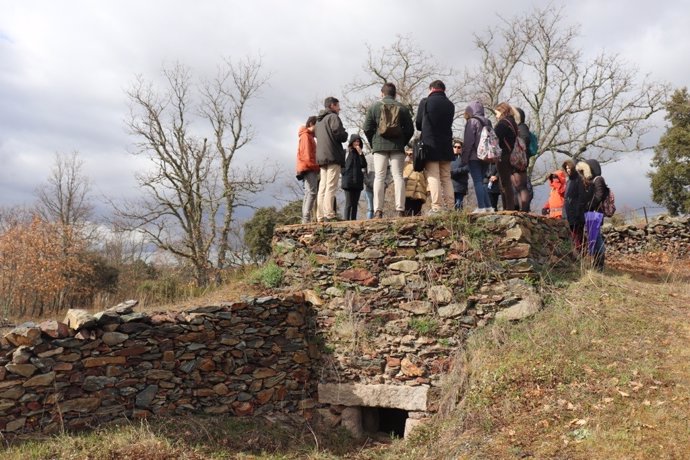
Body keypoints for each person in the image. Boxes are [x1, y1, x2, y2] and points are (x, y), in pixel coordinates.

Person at [363, 82, 414, 218]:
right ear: (395, 94)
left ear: (382, 93)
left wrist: (373, 142)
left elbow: (367, 128)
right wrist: (402, 142)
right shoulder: (402, 108)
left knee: (379, 177)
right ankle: (400, 210)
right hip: (397, 147)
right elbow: (410, 129)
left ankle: (378, 211)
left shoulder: (374, 107)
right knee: (398, 176)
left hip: (379, 147)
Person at [416, 80, 455, 215]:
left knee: (433, 176)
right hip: (446, 145)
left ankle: (437, 206)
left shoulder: (425, 102)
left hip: (430, 145)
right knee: (446, 177)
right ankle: (450, 207)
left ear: (431, 89)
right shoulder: (450, 105)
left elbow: (418, 124)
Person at [315, 97, 348, 222]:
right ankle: (329, 213)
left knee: (322, 186)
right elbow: (340, 134)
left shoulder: (318, 121)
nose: (339, 108)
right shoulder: (333, 117)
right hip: (333, 155)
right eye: (338, 106)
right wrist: (345, 133)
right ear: (332, 106)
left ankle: (320, 215)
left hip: (321, 157)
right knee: (331, 186)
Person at [461, 101, 493, 213]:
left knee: (477, 181)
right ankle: (489, 207)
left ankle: (481, 207)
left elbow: (469, 142)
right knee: (482, 181)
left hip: (474, 157)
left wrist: (464, 158)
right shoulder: (488, 121)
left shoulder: (472, 121)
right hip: (487, 156)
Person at [576, 159, 608, 271]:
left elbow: (599, 196)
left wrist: (588, 205)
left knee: (596, 238)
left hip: (595, 213)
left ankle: (599, 266)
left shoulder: (598, 179)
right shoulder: (594, 180)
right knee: (593, 237)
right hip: (593, 213)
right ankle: (597, 265)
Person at [493, 102, 520, 211]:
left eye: (497, 113)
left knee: (505, 183)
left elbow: (495, 136)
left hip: (504, 155)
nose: (496, 116)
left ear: (502, 111)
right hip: (510, 154)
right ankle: (508, 207)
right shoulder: (512, 122)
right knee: (506, 181)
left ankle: (508, 207)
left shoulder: (503, 123)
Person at [295, 116, 319, 224]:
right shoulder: (306, 136)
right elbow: (307, 155)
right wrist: (316, 166)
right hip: (309, 167)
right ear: (311, 124)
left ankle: (305, 217)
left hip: (308, 166)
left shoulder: (308, 136)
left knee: (309, 192)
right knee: (312, 192)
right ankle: (306, 218)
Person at [341, 134, 367, 220]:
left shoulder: (360, 154)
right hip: (348, 182)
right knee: (348, 203)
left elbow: (364, 165)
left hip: (358, 182)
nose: (357, 143)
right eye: (355, 141)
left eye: (358, 141)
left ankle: (353, 221)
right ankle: (346, 221)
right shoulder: (346, 152)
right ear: (351, 142)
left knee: (355, 204)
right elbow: (341, 165)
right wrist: (344, 173)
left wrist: (361, 153)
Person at [562, 159, 585, 255]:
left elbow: (581, 196)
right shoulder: (569, 181)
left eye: (569, 168)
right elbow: (566, 198)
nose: (568, 170)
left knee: (578, 235)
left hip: (576, 213)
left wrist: (577, 212)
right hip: (568, 212)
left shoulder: (579, 179)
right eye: (566, 168)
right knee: (572, 235)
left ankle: (580, 255)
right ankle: (576, 255)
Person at [513, 108, 533, 211]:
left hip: (520, 161)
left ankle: (524, 210)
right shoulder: (517, 127)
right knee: (517, 186)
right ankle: (518, 208)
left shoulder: (522, 127)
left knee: (521, 186)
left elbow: (525, 140)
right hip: (518, 160)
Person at [403, 147, 427, 216]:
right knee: (407, 213)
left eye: (411, 154)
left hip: (419, 193)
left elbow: (427, 177)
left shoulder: (421, 165)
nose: (408, 156)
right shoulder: (403, 165)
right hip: (407, 193)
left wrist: (428, 189)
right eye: (406, 154)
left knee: (417, 213)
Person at [450, 140, 469, 210]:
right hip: (450, 184)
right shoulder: (449, 158)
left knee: (458, 204)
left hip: (460, 185)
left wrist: (455, 171)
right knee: (450, 205)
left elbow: (468, 168)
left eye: (459, 147)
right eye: (455, 147)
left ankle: (460, 218)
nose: (456, 149)